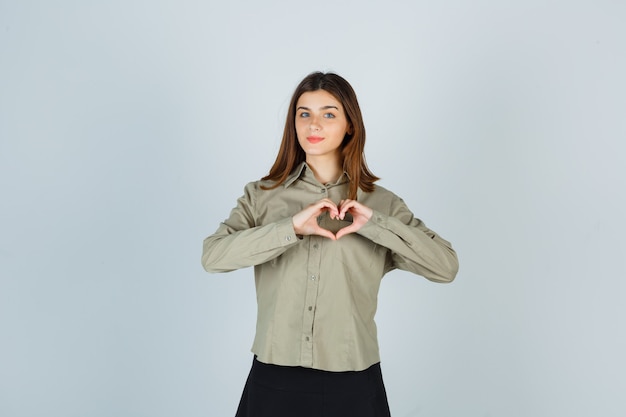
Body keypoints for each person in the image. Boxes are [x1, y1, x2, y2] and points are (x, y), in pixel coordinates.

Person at [202, 71, 459, 417]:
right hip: (274, 378)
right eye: (304, 113)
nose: (313, 124)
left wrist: (375, 224)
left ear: (349, 124)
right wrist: (291, 227)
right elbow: (213, 256)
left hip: (353, 384)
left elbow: (445, 267)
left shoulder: (380, 204)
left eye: (328, 113)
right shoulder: (261, 197)